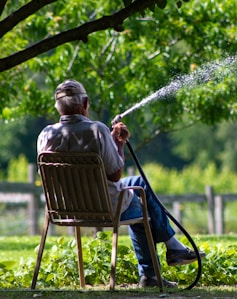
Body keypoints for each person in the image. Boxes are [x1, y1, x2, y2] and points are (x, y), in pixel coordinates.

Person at [37, 79, 205, 288]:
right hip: (105, 208)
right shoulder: (98, 130)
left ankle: (171, 250)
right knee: (143, 202)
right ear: (86, 103)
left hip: (64, 209)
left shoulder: (46, 134)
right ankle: (159, 264)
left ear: (58, 107)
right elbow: (115, 175)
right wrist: (118, 143)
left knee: (138, 183)